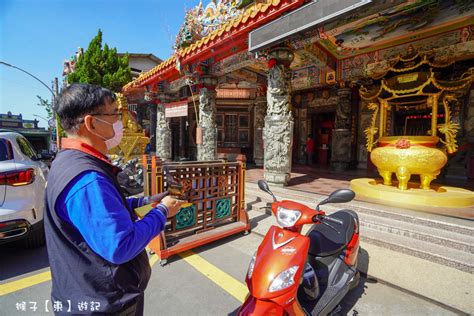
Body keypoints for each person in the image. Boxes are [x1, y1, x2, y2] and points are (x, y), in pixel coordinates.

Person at [44, 83, 183, 315]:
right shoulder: (88, 179)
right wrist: (161, 213)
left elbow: (104, 212)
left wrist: (144, 202)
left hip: (83, 294)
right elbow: (120, 246)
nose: (121, 121)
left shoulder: (69, 161)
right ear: (91, 123)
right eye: (115, 115)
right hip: (106, 303)